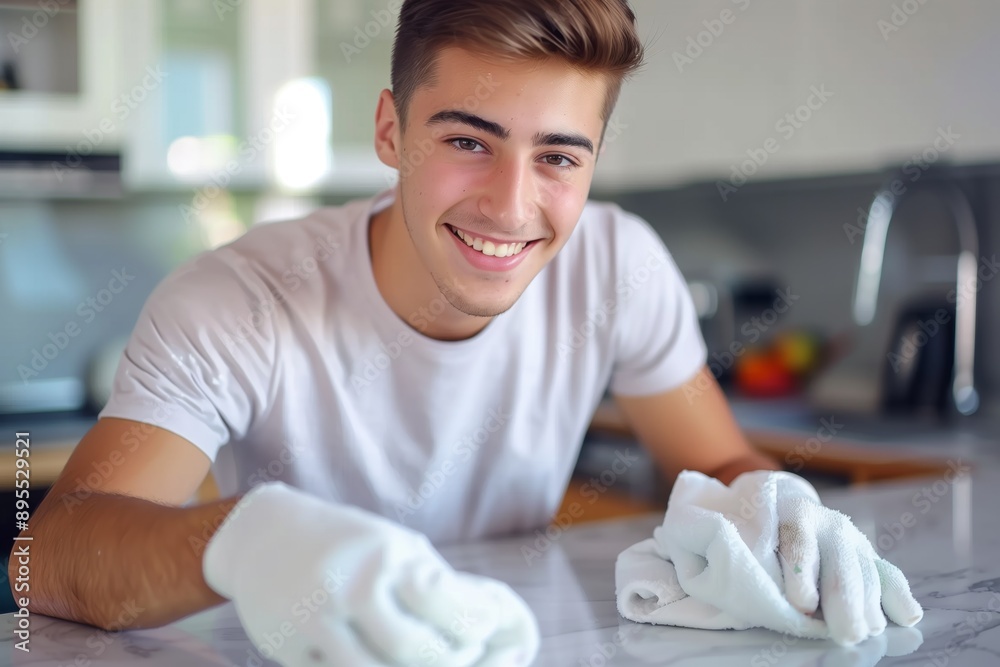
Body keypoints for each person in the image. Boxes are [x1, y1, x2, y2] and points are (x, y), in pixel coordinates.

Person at [11, 1, 919, 665]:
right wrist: (252, 538)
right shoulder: (238, 300)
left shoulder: (618, 265)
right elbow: (47, 555)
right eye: (468, 141)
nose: (511, 206)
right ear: (391, 129)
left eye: (558, 156)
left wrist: (777, 509)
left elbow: (719, 466)